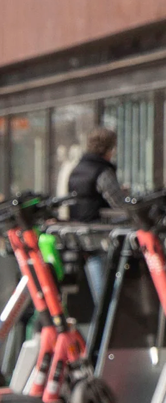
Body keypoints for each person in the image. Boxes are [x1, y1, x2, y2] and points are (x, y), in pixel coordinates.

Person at [68, 127, 126, 304]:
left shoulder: (77, 169)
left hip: (82, 238)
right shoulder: (101, 171)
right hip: (102, 237)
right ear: (109, 149)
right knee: (110, 298)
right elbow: (120, 204)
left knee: (100, 295)